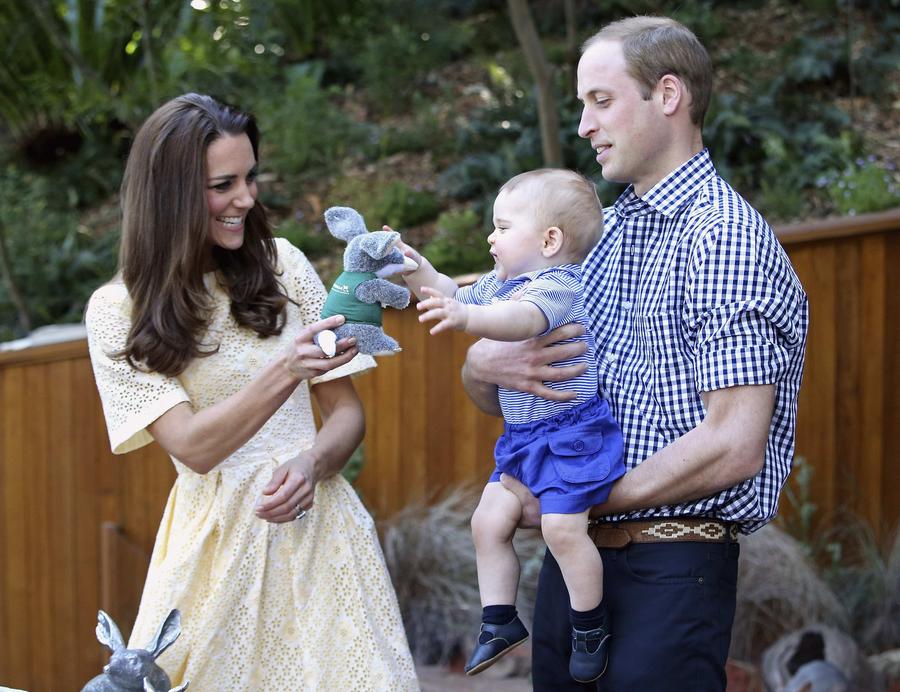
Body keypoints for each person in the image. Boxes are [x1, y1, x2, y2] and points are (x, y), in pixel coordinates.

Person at [460, 16, 809, 692]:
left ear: (669, 96)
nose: (585, 125)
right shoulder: (595, 237)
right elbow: (516, 388)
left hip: (671, 571)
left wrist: (581, 501)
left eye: (601, 100)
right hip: (575, 568)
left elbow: (733, 443)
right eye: (582, 105)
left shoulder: (723, 238)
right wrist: (481, 368)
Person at [84, 93, 419, 691]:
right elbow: (192, 447)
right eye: (223, 184)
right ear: (171, 196)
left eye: (250, 177)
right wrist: (285, 371)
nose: (246, 198)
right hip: (211, 555)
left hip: (321, 538)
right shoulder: (117, 311)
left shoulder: (283, 264)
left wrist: (312, 464)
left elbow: (346, 413)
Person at [400, 168, 626, 683]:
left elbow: (522, 322)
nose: (490, 237)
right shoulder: (503, 284)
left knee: (562, 528)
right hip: (525, 441)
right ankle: (499, 621)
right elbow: (443, 288)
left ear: (549, 240)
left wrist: (465, 320)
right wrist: (411, 267)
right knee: (488, 520)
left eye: (502, 227)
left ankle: (591, 623)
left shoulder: (559, 287)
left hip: (572, 436)